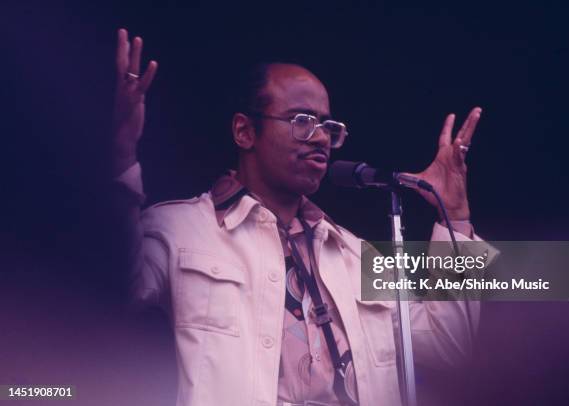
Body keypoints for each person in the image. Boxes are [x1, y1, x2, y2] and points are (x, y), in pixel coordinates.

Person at [111, 28, 495, 406]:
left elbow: (449, 345)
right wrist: (119, 157)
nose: (321, 138)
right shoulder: (183, 229)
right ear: (245, 131)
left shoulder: (357, 257)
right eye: (301, 120)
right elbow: (114, 288)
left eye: (328, 127)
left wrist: (455, 218)